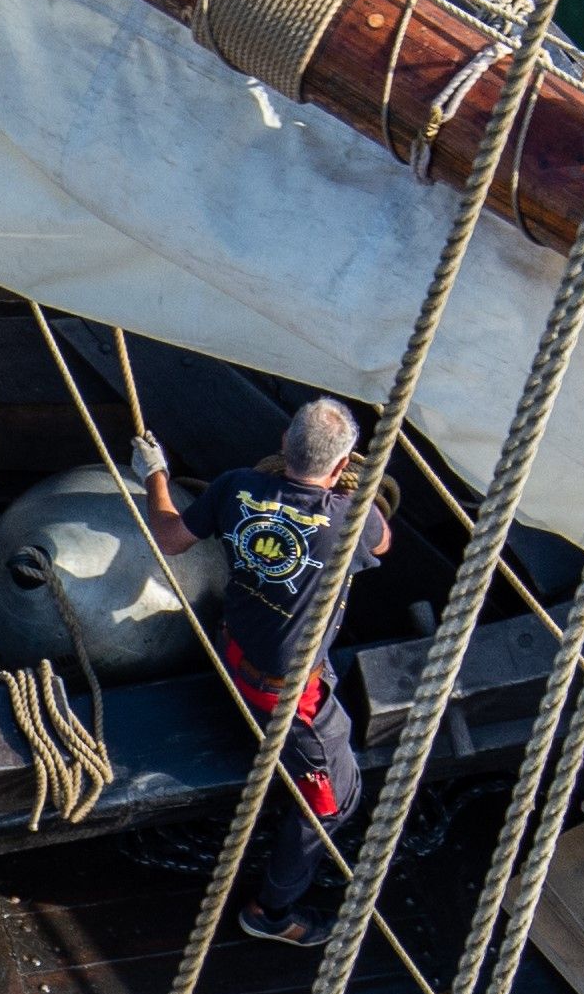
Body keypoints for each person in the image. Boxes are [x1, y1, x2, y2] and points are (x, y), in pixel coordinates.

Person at [135, 396, 396, 947]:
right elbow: (383, 543)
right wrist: (360, 491)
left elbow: (170, 537)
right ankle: (271, 912)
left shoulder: (234, 487)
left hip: (237, 654)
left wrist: (155, 474)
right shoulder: (352, 517)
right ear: (343, 462)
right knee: (332, 805)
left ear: (283, 443)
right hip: (287, 697)